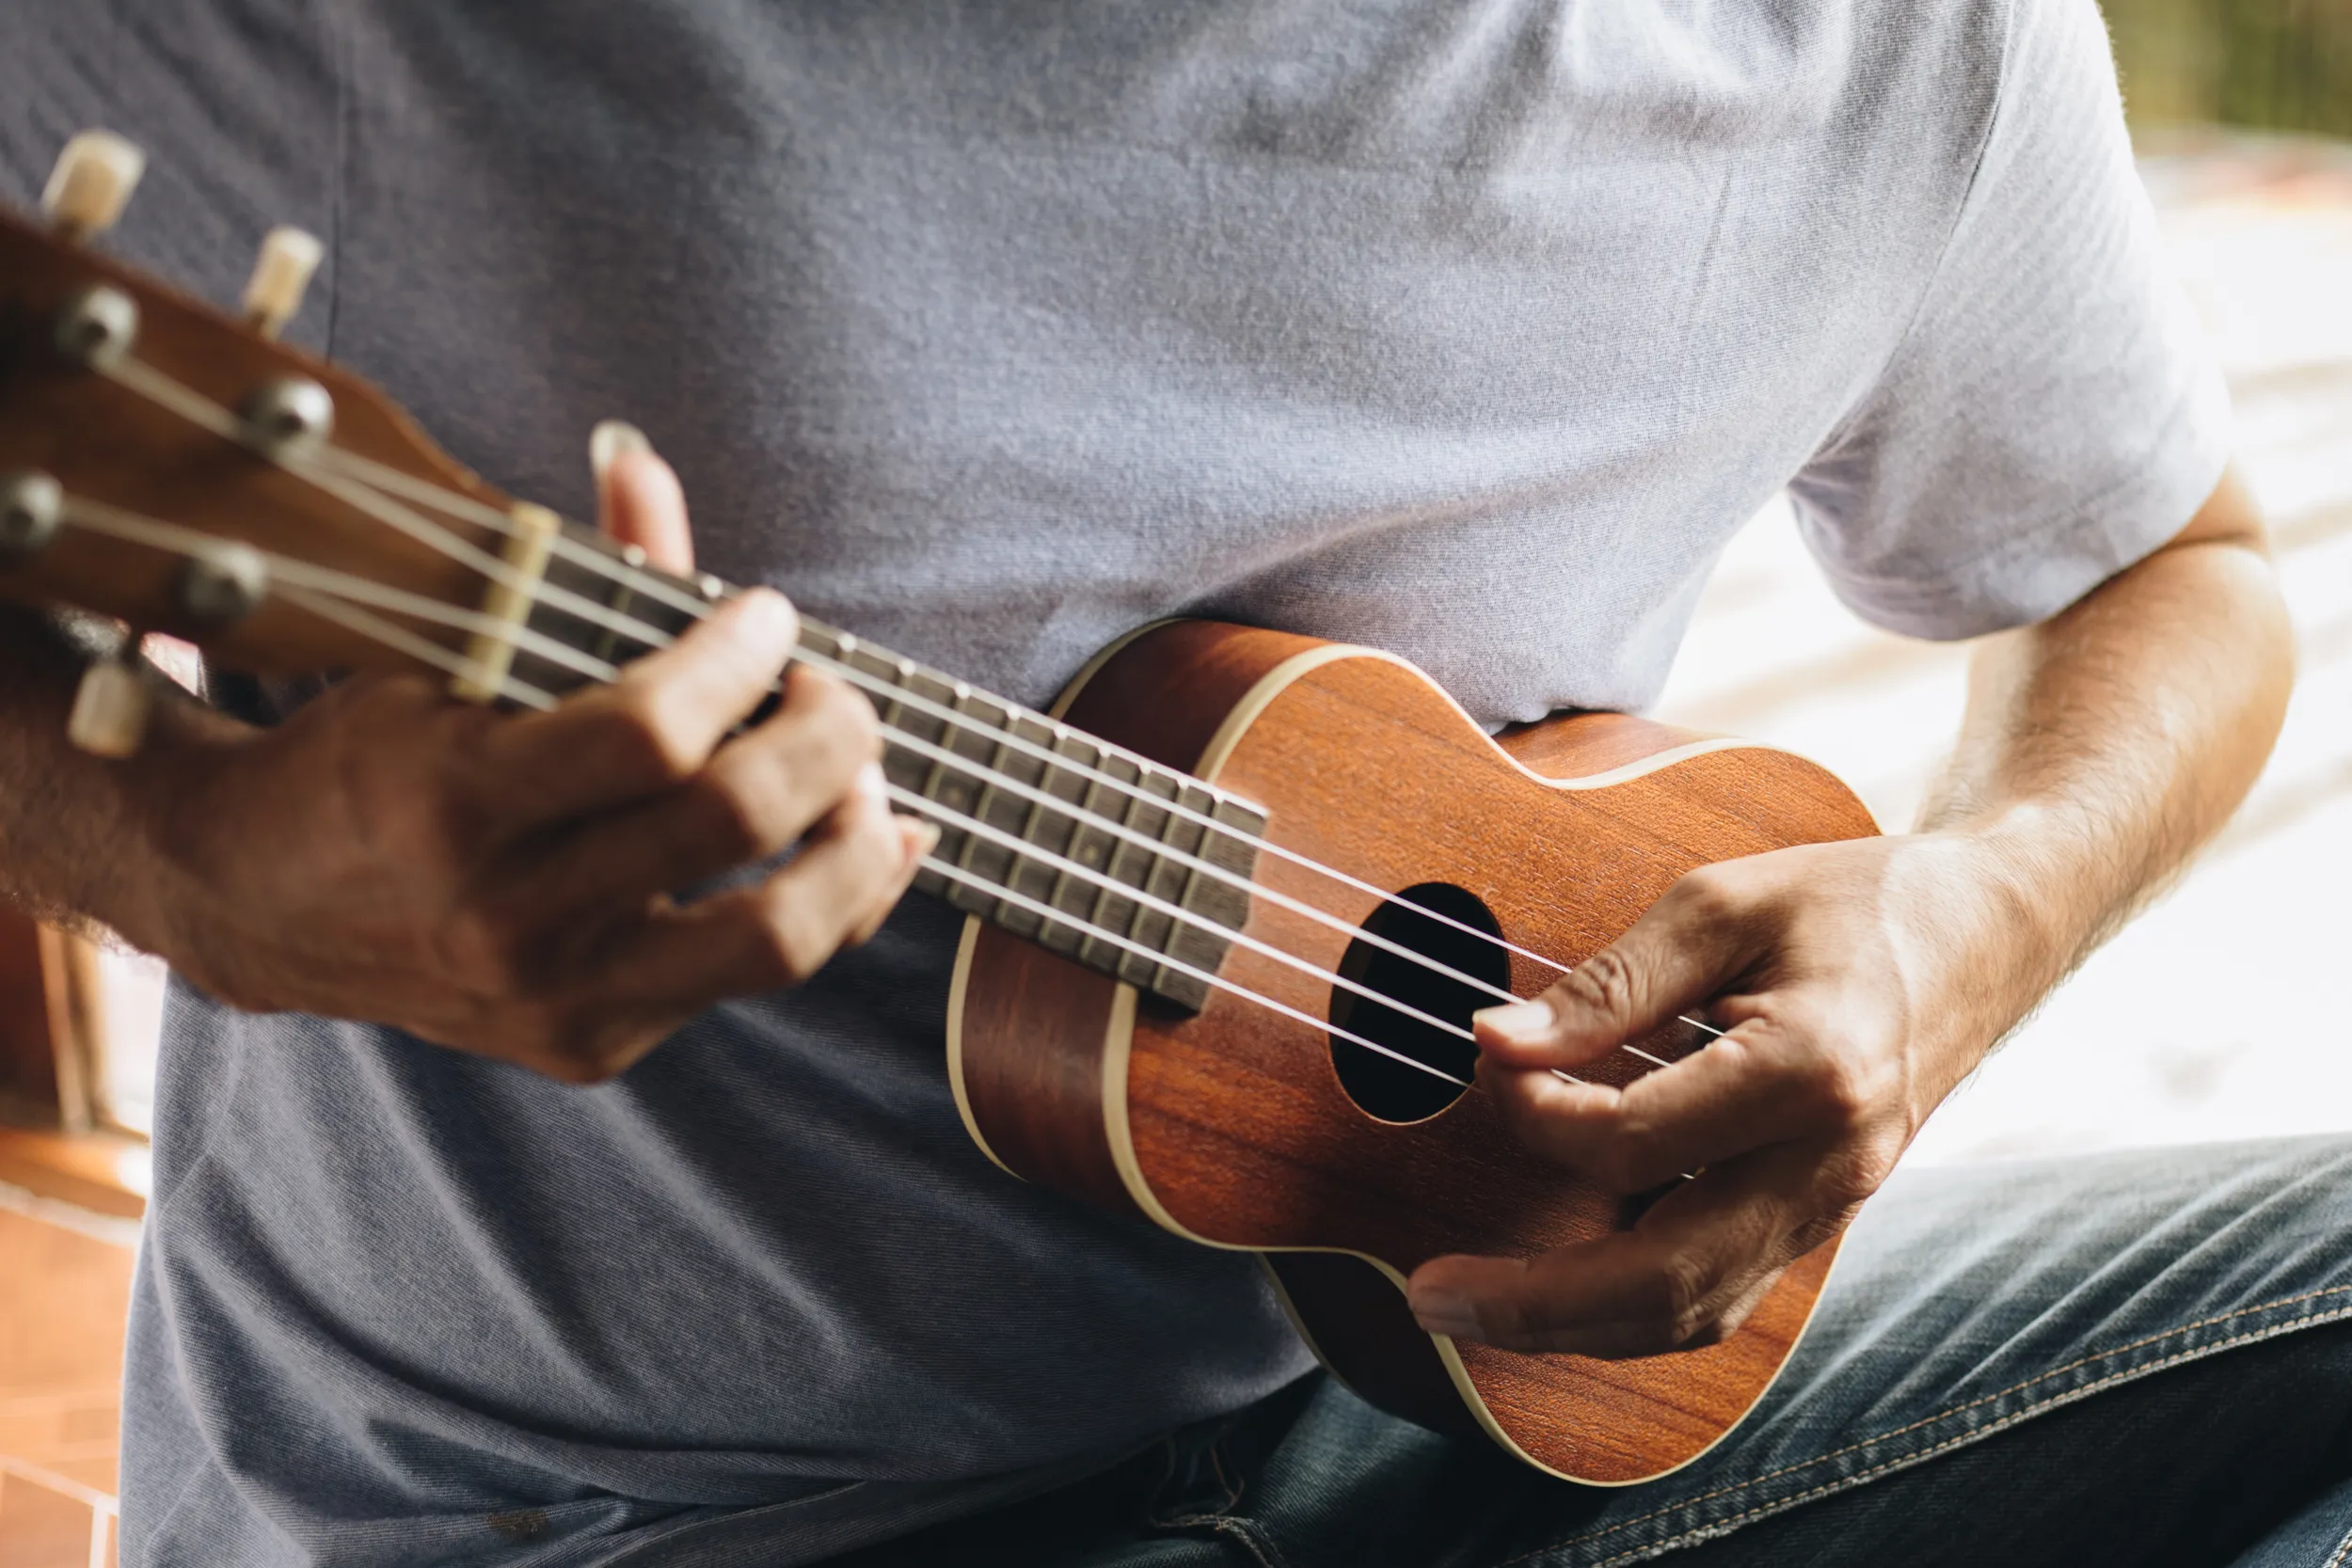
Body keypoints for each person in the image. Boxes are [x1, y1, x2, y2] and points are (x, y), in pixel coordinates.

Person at [0, 1, 2344, 1564]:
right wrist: (193, 856)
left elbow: (2173, 567)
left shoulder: (1885, 36)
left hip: (1446, 1416)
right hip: (606, 1515)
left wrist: (1966, 919)